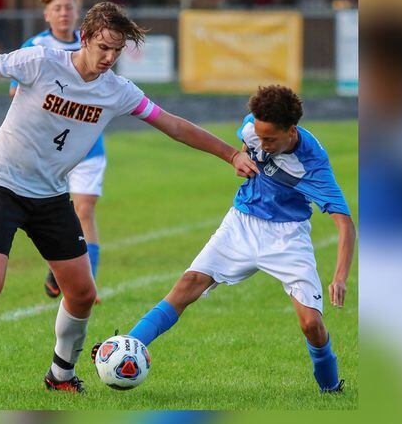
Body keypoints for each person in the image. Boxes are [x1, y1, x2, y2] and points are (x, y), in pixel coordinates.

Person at [0, 1, 259, 400]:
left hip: (52, 195)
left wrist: (230, 154)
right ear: (85, 38)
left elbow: (173, 125)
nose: (110, 58)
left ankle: (60, 374)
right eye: (104, 47)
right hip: (1, 184)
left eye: (118, 51)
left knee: (83, 293)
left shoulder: (117, 91)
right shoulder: (41, 61)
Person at [92, 85, 356, 393]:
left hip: (287, 237)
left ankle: (330, 385)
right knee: (188, 284)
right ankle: (127, 347)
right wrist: (236, 157)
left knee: (311, 324)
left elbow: (345, 224)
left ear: (292, 130)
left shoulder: (314, 166)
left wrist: (339, 277)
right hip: (241, 224)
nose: (263, 143)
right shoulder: (252, 128)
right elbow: (243, 148)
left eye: (270, 139)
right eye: (260, 136)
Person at [8, 0, 105, 304]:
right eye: (58, 8)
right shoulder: (36, 46)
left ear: (78, 12)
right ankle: (61, 271)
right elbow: (15, 90)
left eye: (69, 7)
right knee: (46, 211)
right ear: (47, 14)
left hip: (87, 144)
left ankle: (87, 284)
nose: (64, 13)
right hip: (46, 149)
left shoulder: (91, 44)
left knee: (85, 209)